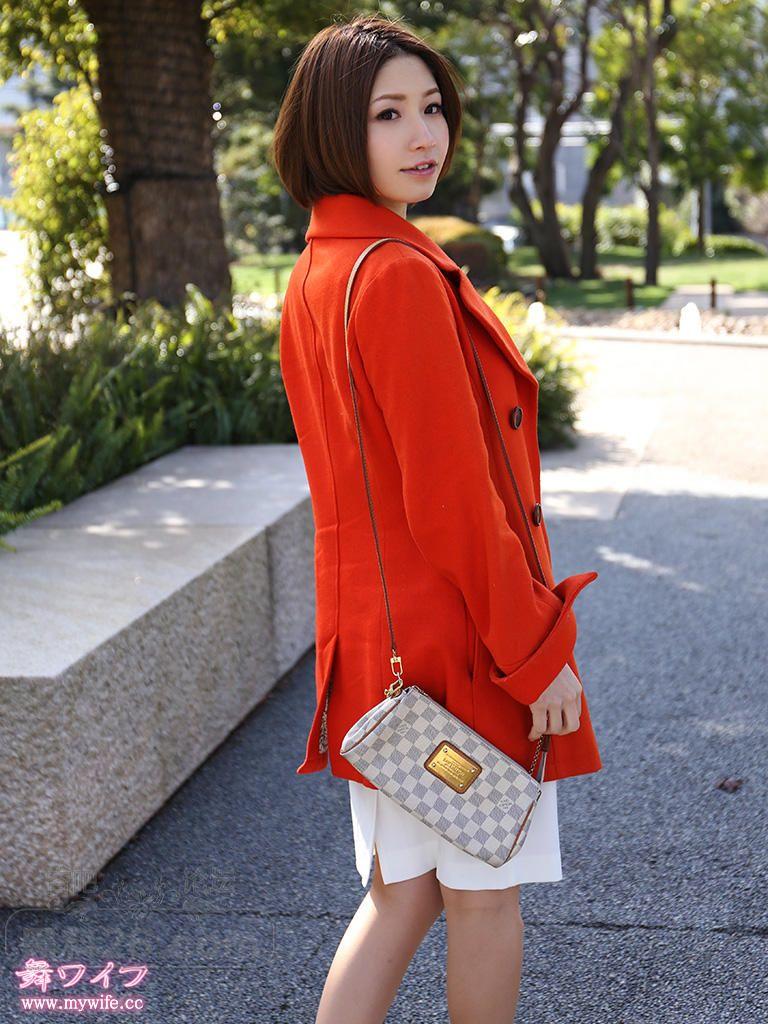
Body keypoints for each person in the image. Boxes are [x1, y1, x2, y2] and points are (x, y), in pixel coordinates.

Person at [270, 13, 602, 1024]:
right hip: (456, 656)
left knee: (403, 893)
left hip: (382, 657)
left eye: (431, 108)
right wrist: (536, 656)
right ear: (335, 126)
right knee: (483, 899)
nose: (424, 135)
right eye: (388, 114)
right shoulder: (397, 274)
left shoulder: (320, 270)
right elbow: (453, 505)